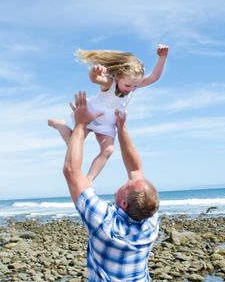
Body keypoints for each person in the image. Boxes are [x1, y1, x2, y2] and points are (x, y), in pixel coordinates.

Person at [63, 91, 160, 282]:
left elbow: (72, 173)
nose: (125, 180)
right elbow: (136, 170)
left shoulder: (105, 224)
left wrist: (81, 124)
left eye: (125, 187)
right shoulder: (150, 222)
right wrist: (122, 127)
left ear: (124, 203)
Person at [49, 44, 168, 181]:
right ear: (117, 77)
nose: (131, 89)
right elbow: (95, 79)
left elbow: (154, 77)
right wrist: (95, 72)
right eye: (128, 85)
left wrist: (162, 57)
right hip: (91, 116)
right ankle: (59, 124)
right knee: (72, 143)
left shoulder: (132, 84)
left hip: (107, 123)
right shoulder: (109, 84)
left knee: (108, 150)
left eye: (135, 86)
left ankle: (88, 181)